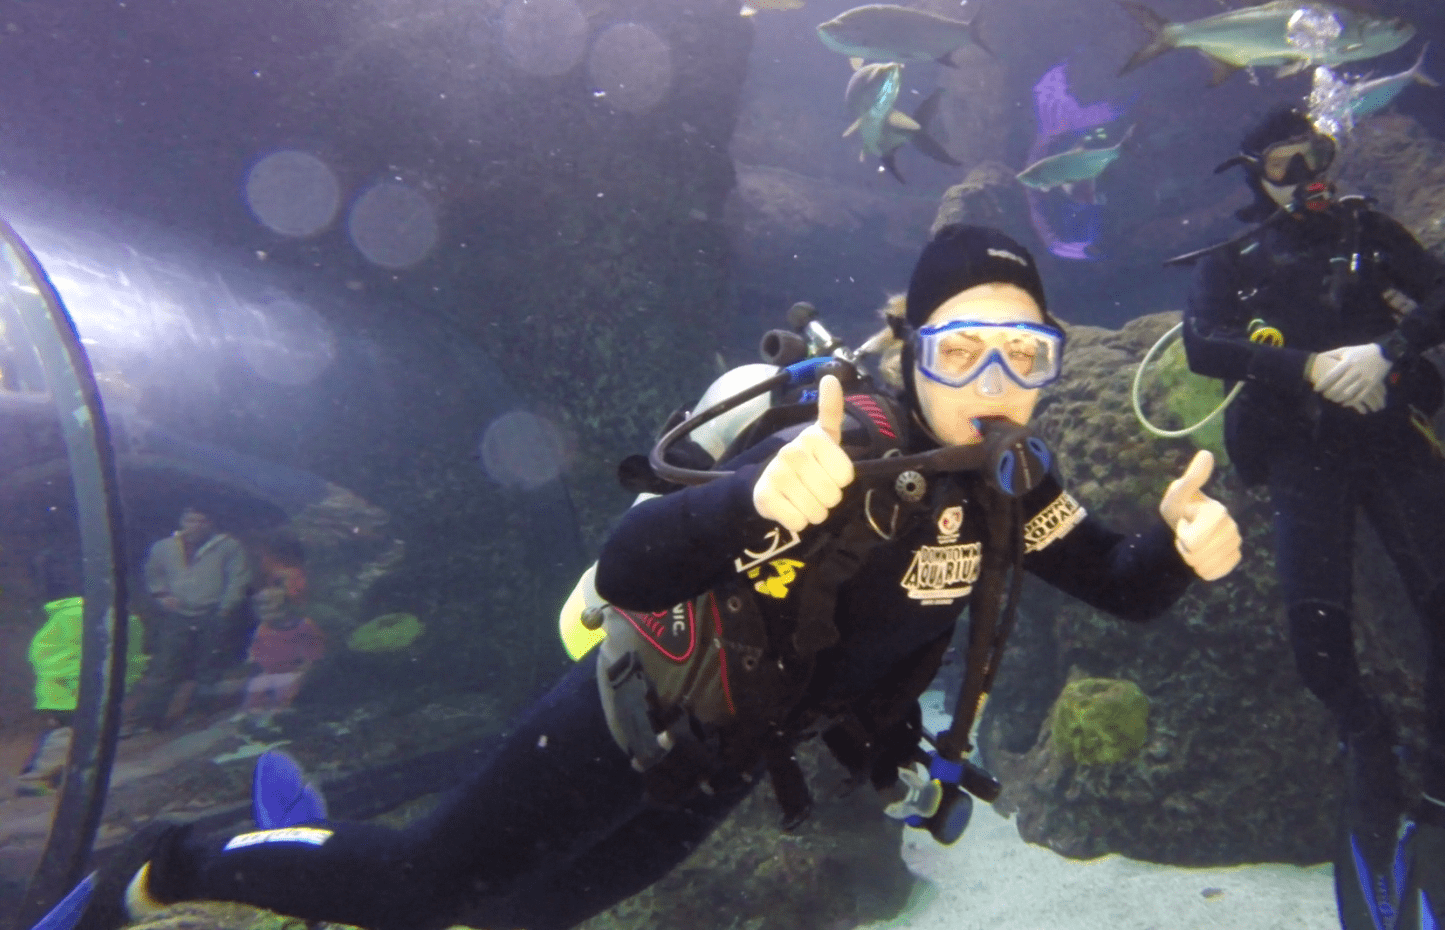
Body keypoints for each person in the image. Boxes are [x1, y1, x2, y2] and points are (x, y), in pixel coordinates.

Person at [73, 225, 1243, 930]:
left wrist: (1180, 553)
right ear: (908, 348)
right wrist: (751, 499)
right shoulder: (838, 444)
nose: (995, 376)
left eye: (1025, 350)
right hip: (630, 709)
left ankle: (311, 858)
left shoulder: (1017, 483)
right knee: (431, 886)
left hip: (727, 758)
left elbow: (1122, 585)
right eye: (960, 347)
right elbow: (631, 565)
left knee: (530, 914)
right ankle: (167, 863)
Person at [1179, 106, 1445, 930]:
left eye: (1317, 155)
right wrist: (1306, 367)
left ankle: (1436, 813)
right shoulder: (1234, 259)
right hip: (1299, 457)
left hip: (1392, 444)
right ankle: (1368, 747)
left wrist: (1388, 351)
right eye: (1286, 163)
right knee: (1318, 644)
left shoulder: (1368, 229)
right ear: (1254, 173)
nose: (1308, 174)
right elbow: (1199, 344)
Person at [16, 552, 148, 796]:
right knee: (66, 733)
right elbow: (47, 656)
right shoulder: (81, 616)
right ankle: (36, 778)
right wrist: (84, 682)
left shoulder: (107, 616)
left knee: (68, 733)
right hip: (73, 691)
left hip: (75, 690)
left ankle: (44, 772)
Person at [130, 507, 255, 731]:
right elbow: (153, 573)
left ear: (211, 523)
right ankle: (148, 719)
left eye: (202, 520)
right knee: (165, 666)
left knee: (208, 668)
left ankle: (198, 713)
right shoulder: (164, 547)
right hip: (177, 614)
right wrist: (161, 594)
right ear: (182, 521)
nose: (195, 525)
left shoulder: (228, 546)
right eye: (190, 520)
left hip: (213, 613)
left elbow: (238, 578)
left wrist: (226, 608)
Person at [240, 586, 327, 721]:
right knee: (256, 687)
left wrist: (303, 670)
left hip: (296, 671)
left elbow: (314, 654)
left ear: (286, 605)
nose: (265, 609)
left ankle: (281, 716)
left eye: (270, 603)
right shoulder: (263, 628)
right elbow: (257, 651)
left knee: (286, 688)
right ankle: (253, 717)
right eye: (261, 605)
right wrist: (259, 664)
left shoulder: (304, 625)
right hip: (270, 672)